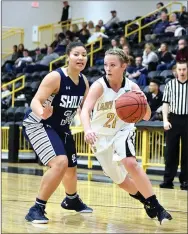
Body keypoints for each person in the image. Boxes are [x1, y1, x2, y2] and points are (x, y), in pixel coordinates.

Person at [80, 48, 172, 225]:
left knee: (130, 163)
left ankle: (158, 207)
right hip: (100, 137)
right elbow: (85, 110)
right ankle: (147, 202)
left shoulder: (132, 88)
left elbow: (146, 116)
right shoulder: (99, 86)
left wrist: (142, 102)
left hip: (123, 130)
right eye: (106, 64)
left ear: (123, 66)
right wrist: (87, 129)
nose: (108, 68)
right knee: (121, 181)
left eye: (112, 65)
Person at [22, 42, 93, 224]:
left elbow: (83, 109)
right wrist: (41, 111)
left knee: (71, 168)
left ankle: (71, 199)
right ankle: (36, 208)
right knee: (60, 163)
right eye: (76, 54)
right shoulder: (55, 77)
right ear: (68, 56)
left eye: (84, 54)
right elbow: (35, 101)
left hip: (61, 127)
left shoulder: (83, 82)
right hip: (39, 124)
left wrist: (89, 128)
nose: (81, 58)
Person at [160, 61, 188, 190]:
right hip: (174, 119)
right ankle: (168, 180)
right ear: (176, 71)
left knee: (187, 153)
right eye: (180, 69)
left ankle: (185, 181)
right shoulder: (170, 84)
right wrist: (165, 120)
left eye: (184, 69)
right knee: (170, 151)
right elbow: (165, 104)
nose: (182, 72)